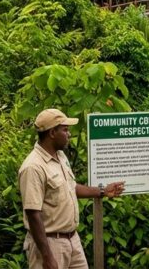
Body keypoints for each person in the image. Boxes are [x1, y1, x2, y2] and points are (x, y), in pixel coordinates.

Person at [18, 109, 125, 269]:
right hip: (50, 244)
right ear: (53, 132)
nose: (69, 134)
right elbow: (33, 214)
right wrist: (47, 257)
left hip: (72, 240)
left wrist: (102, 191)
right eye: (65, 129)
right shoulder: (33, 167)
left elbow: (71, 187)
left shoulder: (60, 156)